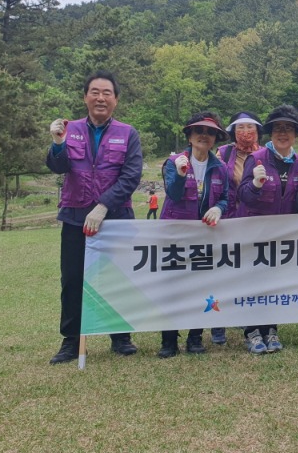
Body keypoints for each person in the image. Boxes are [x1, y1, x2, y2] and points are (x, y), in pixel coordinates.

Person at [46, 71, 143, 364]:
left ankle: (120, 337)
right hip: (75, 216)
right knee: (73, 279)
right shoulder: (68, 128)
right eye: (95, 92)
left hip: (116, 217)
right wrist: (57, 143)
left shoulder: (128, 133)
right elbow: (57, 167)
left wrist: (103, 206)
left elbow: (131, 175)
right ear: (85, 96)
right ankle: (71, 341)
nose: (101, 98)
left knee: (117, 277)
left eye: (107, 93)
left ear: (116, 99)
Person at [238, 105, 298, 354]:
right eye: (278, 129)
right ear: (270, 133)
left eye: (289, 129)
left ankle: (271, 329)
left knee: (275, 283)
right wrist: (256, 184)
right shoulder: (256, 159)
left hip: (282, 237)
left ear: (295, 134)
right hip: (254, 235)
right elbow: (243, 197)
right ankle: (252, 332)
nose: (283, 133)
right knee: (253, 282)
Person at [158, 112, 229, 358]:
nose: (204, 136)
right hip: (174, 236)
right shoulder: (173, 162)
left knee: (202, 286)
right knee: (172, 287)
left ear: (215, 139)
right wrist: (179, 174)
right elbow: (174, 195)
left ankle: (195, 337)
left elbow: (225, 198)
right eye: (199, 131)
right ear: (189, 136)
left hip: (204, 238)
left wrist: (218, 208)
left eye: (210, 132)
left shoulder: (221, 168)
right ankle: (168, 339)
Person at [209, 110, 263, 346]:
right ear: (232, 131)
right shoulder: (223, 153)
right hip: (228, 218)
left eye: (250, 127)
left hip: (254, 219)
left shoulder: (264, 154)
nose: (246, 132)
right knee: (222, 272)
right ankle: (217, 324)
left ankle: (244, 316)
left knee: (249, 273)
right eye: (240, 128)